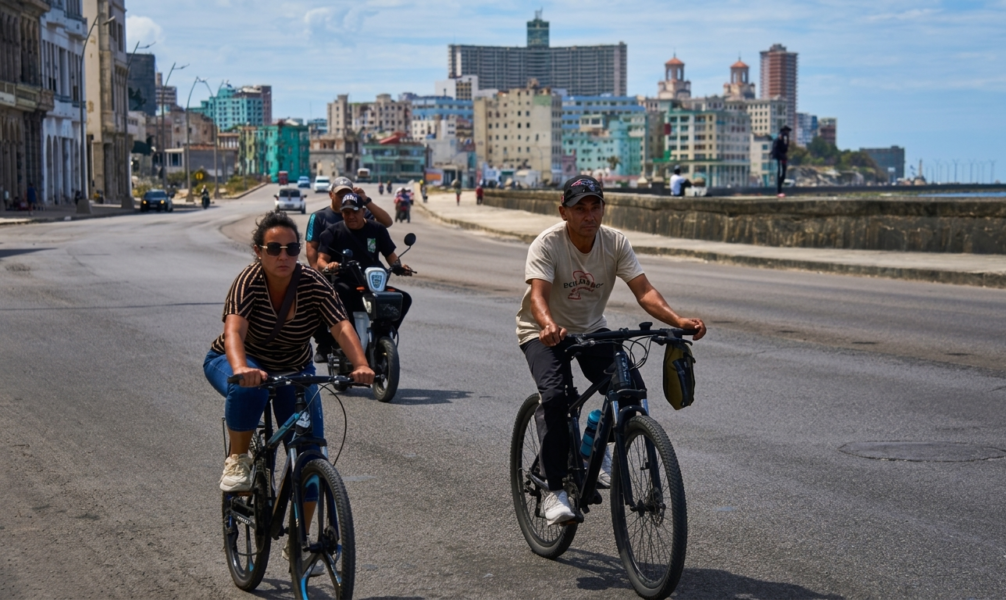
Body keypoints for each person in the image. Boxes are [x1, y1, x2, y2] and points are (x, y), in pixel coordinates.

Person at [516, 175, 707, 526]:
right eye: (580, 209)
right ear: (564, 212)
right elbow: (539, 296)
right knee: (557, 397)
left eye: (595, 207)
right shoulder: (547, 244)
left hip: (591, 330)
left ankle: (594, 445)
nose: (589, 215)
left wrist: (678, 320)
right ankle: (553, 491)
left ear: (604, 209)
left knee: (629, 388)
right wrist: (546, 324)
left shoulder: (614, 242)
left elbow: (644, 291)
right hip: (543, 332)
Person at [204, 211, 375, 495]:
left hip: (293, 369)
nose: (283, 256)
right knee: (253, 389)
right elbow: (234, 332)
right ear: (258, 251)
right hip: (237, 360)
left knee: (310, 453)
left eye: (292, 249)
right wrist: (241, 369)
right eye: (274, 249)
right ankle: (238, 459)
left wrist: (360, 364)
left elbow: (342, 327)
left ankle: (302, 538)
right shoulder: (249, 281)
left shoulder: (312, 282)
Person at [306, 177, 393, 360]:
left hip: (364, 276)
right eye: (340, 194)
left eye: (349, 193)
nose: (345, 197)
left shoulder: (362, 214)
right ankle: (325, 343)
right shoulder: (320, 217)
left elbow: (386, 223)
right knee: (313, 300)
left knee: (394, 299)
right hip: (333, 272)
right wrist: (319, 272)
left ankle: (382, 337)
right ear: (331, 195)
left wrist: (365, 201)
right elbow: (313, 248)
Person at [316, 193, 413, 331]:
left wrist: (399, 267)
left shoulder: (378, 229)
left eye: (355, 211)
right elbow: (321, 260)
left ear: (363, 211)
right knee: (340, 293)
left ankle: (384, 334)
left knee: (404, 299)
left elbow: (390, 255)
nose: (351, 216)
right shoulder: (332, 232)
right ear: (342, 213)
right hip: (347, 284)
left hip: (373, 285)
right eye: (346, 212)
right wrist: (329, 266)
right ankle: (349, 337)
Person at [771, 125, 791, 197]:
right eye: (787, 131)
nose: (787, 133)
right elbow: (782, 148)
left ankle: (779, 191)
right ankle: (779, 192)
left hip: (781, 159)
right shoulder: (780, 137)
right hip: (779, 159)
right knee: (780, 174)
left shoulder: (782, 138)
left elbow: (784, 149)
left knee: (782, 175)